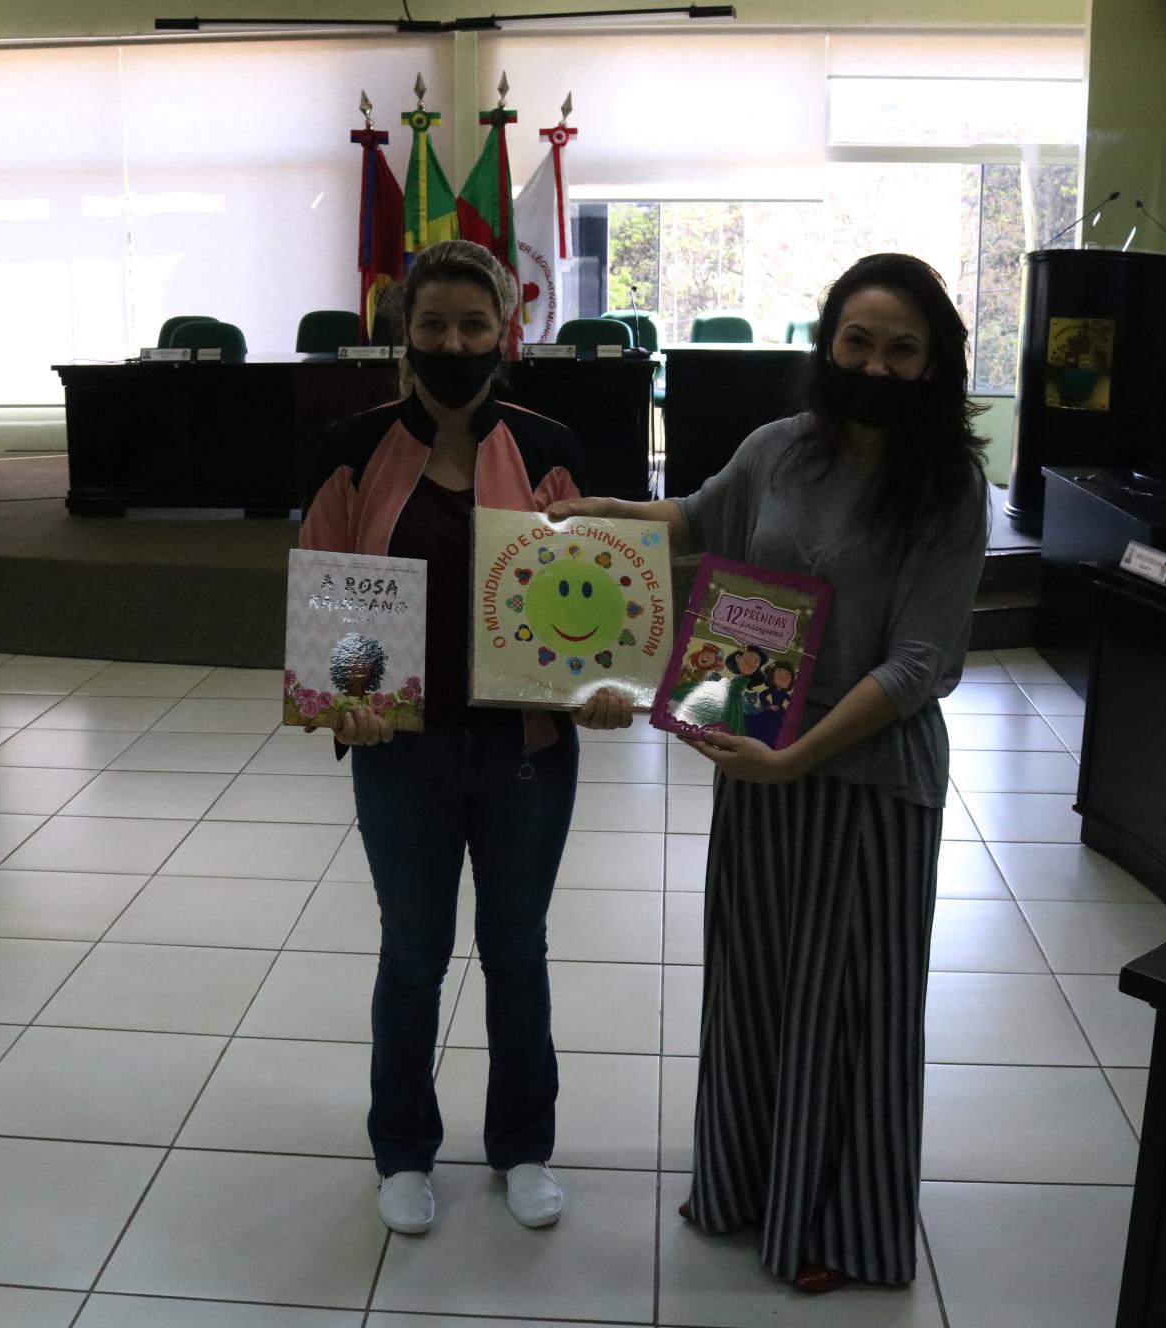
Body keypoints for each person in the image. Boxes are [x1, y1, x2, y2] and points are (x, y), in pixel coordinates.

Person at [548, 253, 989, 1291]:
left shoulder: (948, 486)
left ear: (934, 364)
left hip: (868, 777)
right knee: (753, 984)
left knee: (854, 1005)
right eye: (857, 341)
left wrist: (797, 761)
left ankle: (841, 1225)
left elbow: (920, 662)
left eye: (902, 349)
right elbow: (698, 516)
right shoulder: (778, 447)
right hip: (755, 742)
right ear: (827, 343)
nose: (875, 364)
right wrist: (597, 511)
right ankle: (744, 1182)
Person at [300, 238, 633, 1236]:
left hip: (527, 750)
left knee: (516, 950)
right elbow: (330, 592)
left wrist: (605, 685)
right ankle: (403, 1150)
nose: (453, 343)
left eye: (473, 325)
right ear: (404, 330)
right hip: (401, 750)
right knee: (412, 953)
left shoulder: (548, 445)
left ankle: (523, 1146)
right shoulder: (353, 447)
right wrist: (344, 698)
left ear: (506, 332)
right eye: (434, 324)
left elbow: (597, 595)